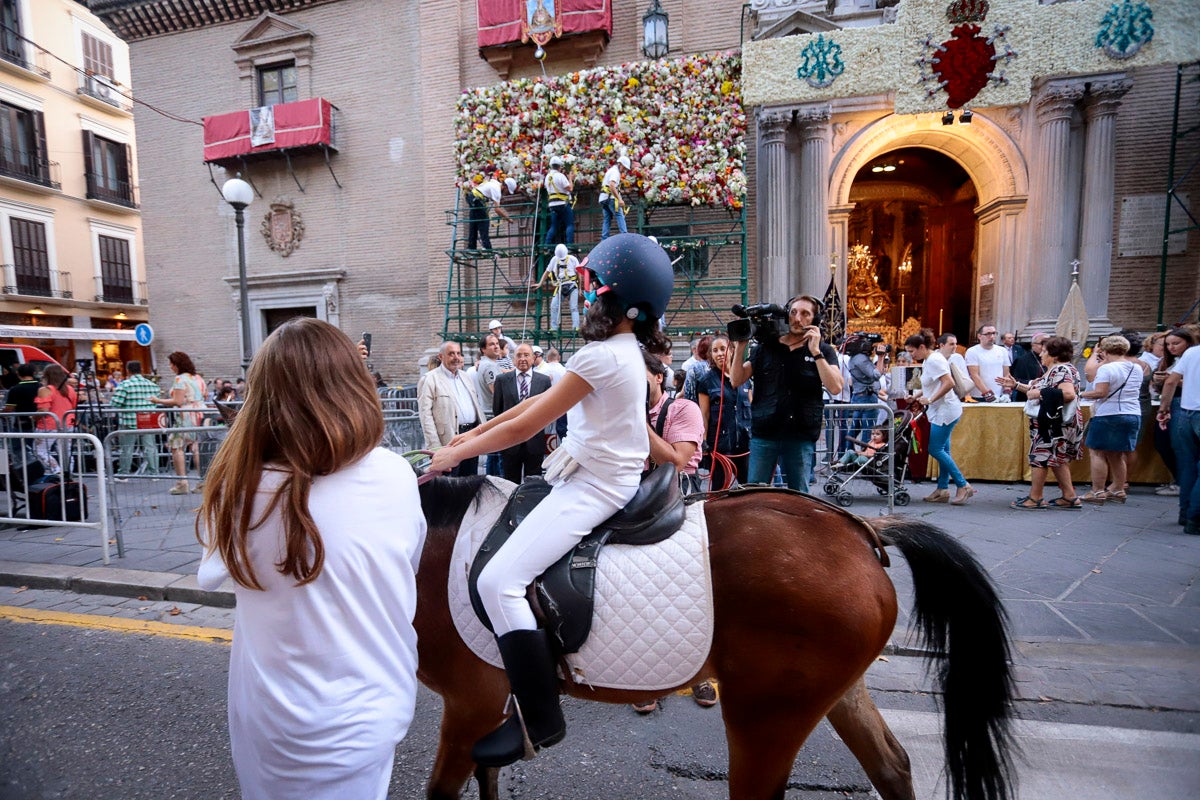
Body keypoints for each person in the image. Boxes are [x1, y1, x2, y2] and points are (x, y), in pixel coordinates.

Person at [430, 232, 674, 768]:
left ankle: (539, 720)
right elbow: (534, 404)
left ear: (615, 300)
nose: (585, 299)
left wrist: (453, 458)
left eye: (591, 290)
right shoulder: (620, 351)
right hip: (589, 475)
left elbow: (531, 425)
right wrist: (469, 438)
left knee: (498, 581)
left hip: (595, 486)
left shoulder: (601, 355)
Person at [196, 318, 425, 800]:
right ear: (354, 386)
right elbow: (407, 562)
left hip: (271, 721)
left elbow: (210, 574)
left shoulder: (237, 489)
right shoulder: (394, 475)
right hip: (371, 711)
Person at [632, 349, 714, 714]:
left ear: (658, 377)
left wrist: (634, 421)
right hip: (632, 508)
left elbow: (678, 460)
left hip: (677, 505)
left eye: (638, 375)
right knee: (640, 593)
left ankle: (699, 671)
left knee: (687, 592)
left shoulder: (683, 409)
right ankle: (648, 674)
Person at [730, 295, 843, 492]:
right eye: (793, 312)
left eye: (805, 314)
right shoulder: (766, 348)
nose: (798, 318)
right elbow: (736, 380)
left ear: (815, 320)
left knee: (798, 496)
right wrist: (740, 347)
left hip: (799, 434)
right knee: (754, 494)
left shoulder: (823, 351)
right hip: (765, 433)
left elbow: (835, 387)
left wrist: (815, 352)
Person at [997, 336, 1083, 509]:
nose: (1041, 354)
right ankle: (1070, 496)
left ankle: (1035, 497)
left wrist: (1039, 393)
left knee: (1039, 457)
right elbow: (1040, 388)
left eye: (1045, 351)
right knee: (1058, 459)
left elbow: (1067, 394)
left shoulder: (1060, 370)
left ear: (1055, 355)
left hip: (1052, 423)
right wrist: (1016, 386)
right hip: (1055, 422)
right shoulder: (1061, 369)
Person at [910, 333, 975, 504]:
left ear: (922, 347)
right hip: (941, 410)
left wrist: (930, 399)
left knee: (935, 449)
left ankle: (962, 484)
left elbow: (949, 383)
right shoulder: (930, 359)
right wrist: (917, 395)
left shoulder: (934, 360)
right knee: (943, 450)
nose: (911, 355)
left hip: (945, 411)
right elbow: (933, 384)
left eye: (912, 351)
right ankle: (943, 489)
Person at [1079, 335, 1142, 504]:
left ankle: (1097, 491)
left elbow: (1100, 392)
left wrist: (1081, 394)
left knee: (1097, 452)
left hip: (1109, 414)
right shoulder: (1136, 368)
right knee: (1117, 454)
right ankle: (1118, 489)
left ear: (1104, 351)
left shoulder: (1106, 369)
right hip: (1133, 413)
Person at [418, 340, 486, 477]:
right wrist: (435, 447)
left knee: (470, 481)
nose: (456, 357)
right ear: (441, 356)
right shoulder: (430, 379)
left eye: (458, 353)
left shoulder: (466, 377)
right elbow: (426, 416)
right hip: (448, 441)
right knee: (450, 483)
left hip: (470, 437)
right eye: (451, 354)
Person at [1158, 331, 1200, 534]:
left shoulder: (1191, 354)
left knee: (1187, 464)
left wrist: (1163, 409)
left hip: (1185, 412)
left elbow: (1170, 381)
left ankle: (1185, 513)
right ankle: (1195, 518)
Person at [696, 334, 751, 489]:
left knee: (749, 488)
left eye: (723, 349)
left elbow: (751, 407)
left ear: (732, 350)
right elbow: (704, 415)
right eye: (715, 350)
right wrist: (704, 441)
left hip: (744, 444)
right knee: (719, 490)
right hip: (720, 446)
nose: (720, 353)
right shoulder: (706, 381)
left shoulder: (744, 378)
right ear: (711, 355)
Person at [492, 343, 551, 483]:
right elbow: (498, 411)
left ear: (533, 358)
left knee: (534, 483)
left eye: (526, 355)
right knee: (510, 483)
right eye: (519, 355)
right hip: (509, 443)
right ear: (513, 359)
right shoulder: (502, 380)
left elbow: (548, 411)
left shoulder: (544, 381)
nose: (522, 358)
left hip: (535, 442)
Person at [151, 351, 207, 495]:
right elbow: (204, 395)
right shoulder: (198, 378)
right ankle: (203, 482)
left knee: (176, 446)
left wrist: (158, 400)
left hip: (186, 415)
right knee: (197, 447)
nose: (170, 367)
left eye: (171, 364)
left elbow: (178, 401)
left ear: (177, 365)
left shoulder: (179, 380)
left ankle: (182, 482)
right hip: (201, 412)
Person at [1151, 328, 1197, 498]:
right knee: (1163, 442)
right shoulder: (1170, 360)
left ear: (1188, 342)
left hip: (1181, 404)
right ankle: (1181, 482)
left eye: (1176, 343)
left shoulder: (1191, 357)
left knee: (1180, 447)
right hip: (1170, 403)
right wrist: (1158, 380)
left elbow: (1187, 383)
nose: (1171, 347)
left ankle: (1182, 484)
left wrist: (1172, 381)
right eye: (1168, 344)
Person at [108, 360, 161, 480]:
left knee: (127, 448)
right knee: (150, 447)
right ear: (141, 370)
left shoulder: (125, 385)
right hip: (148, 421)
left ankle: (124, 474)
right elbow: (157, 401)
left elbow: (115, 403)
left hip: (129, 421)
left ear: (127, 370)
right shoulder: (152, 385)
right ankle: (155, 473)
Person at [33, 364, 76, 475]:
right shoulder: (70, 390)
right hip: (68, 424)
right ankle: (68, 474)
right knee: (66, 451)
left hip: (49, 424)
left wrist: (33, 417)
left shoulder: (45, 390)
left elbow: (44, 410)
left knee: (40, 451)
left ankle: (56, 470)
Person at [466, 176, 516, 251]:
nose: (506, 193)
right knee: (484, 222)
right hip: (477, 200)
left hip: (472, 197)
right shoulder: (497, 190)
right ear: (505, 187)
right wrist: (508, 219)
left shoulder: (495, 184)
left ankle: (471, 247)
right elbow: (497, 209)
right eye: (507, 191)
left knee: (474, 223)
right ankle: (487, 247)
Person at [539, 244, 581, 332]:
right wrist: (540, 283)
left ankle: (576, 327)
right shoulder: (554, 260)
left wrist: (580, 288)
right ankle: (554, 327)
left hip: (572, 285)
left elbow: (579, 274)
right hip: (560, 285)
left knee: (574, 307)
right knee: (554, 306)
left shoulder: (573, 259)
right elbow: (547, 272)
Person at [964, 323, 1011, 401]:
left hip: (1000, 395)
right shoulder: (972, 351)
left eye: (994, 333)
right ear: (979, 336)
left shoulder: (1002, 350)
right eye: (988, 334)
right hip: (979, 395)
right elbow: (974, 375)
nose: (992, 336)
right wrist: (987, 394)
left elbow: (1006, 373)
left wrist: (1007, 392)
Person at [543, 155, 575, 246]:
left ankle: (547, 244)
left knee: (554, 225)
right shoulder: (560, 176)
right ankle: (569, 244)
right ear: (559, 166)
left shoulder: (547, 177)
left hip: (552, 205)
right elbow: (570, 188)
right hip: (562, 203)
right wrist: (570, 178)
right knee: (569, 224)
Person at [1009, 332, 1048, 403]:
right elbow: (1014, 379)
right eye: (1042, 343)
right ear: (1032, 344)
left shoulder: (1052, 359)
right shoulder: (1022, 360)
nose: (1044, 346)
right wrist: (1031, 382)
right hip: (1026, 398)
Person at [599, 154, 630, 239]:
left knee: (607, 219)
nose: (624, 170)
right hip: (611, 198)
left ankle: (604, 239)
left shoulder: (611, 170)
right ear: (620, 164)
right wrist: (619, 199)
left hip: (603, 198)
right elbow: (612, 186)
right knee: (620, 215)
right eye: (624, 168)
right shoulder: (615, 172)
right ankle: (625, 235)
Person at [3, 363, 41, 429]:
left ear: (18, 374)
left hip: (22, 424)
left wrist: (2, 412)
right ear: (34, 373)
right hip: (41, 423)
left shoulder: (15, 389)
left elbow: (9, 408)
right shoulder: (42, 387)